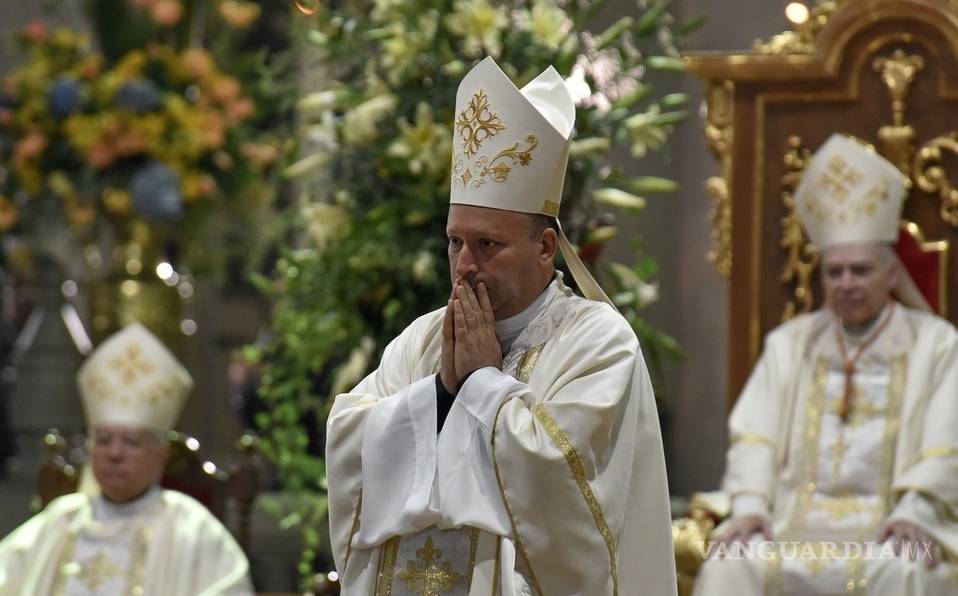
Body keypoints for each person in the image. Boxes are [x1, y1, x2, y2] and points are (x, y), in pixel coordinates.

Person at [325, 56, 676, 595]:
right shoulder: (422, 341)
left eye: (487, 243)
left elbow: (569, 497)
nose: (464, 264)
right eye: (455, 242)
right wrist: (442, 391)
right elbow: (350, 440)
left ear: (544, 247)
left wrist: (482, 385)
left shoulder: (598, 343)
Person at [693, 134, 958, 595]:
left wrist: (916, 511)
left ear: (891, 273)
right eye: (835, 272)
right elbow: (755, 436)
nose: (846, 283)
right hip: (789, 521)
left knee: (907, 567)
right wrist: (751, 504)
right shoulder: (790, 345)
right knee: (729, 563)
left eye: (861, 270)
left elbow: (946, 442)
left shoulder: (936, 344)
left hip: (892, 523)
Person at [0, 322, 253, 595]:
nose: (115, 453)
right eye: (103, 440)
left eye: (131, 442)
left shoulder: (190, 528)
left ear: (161, 455)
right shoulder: (60, 520)